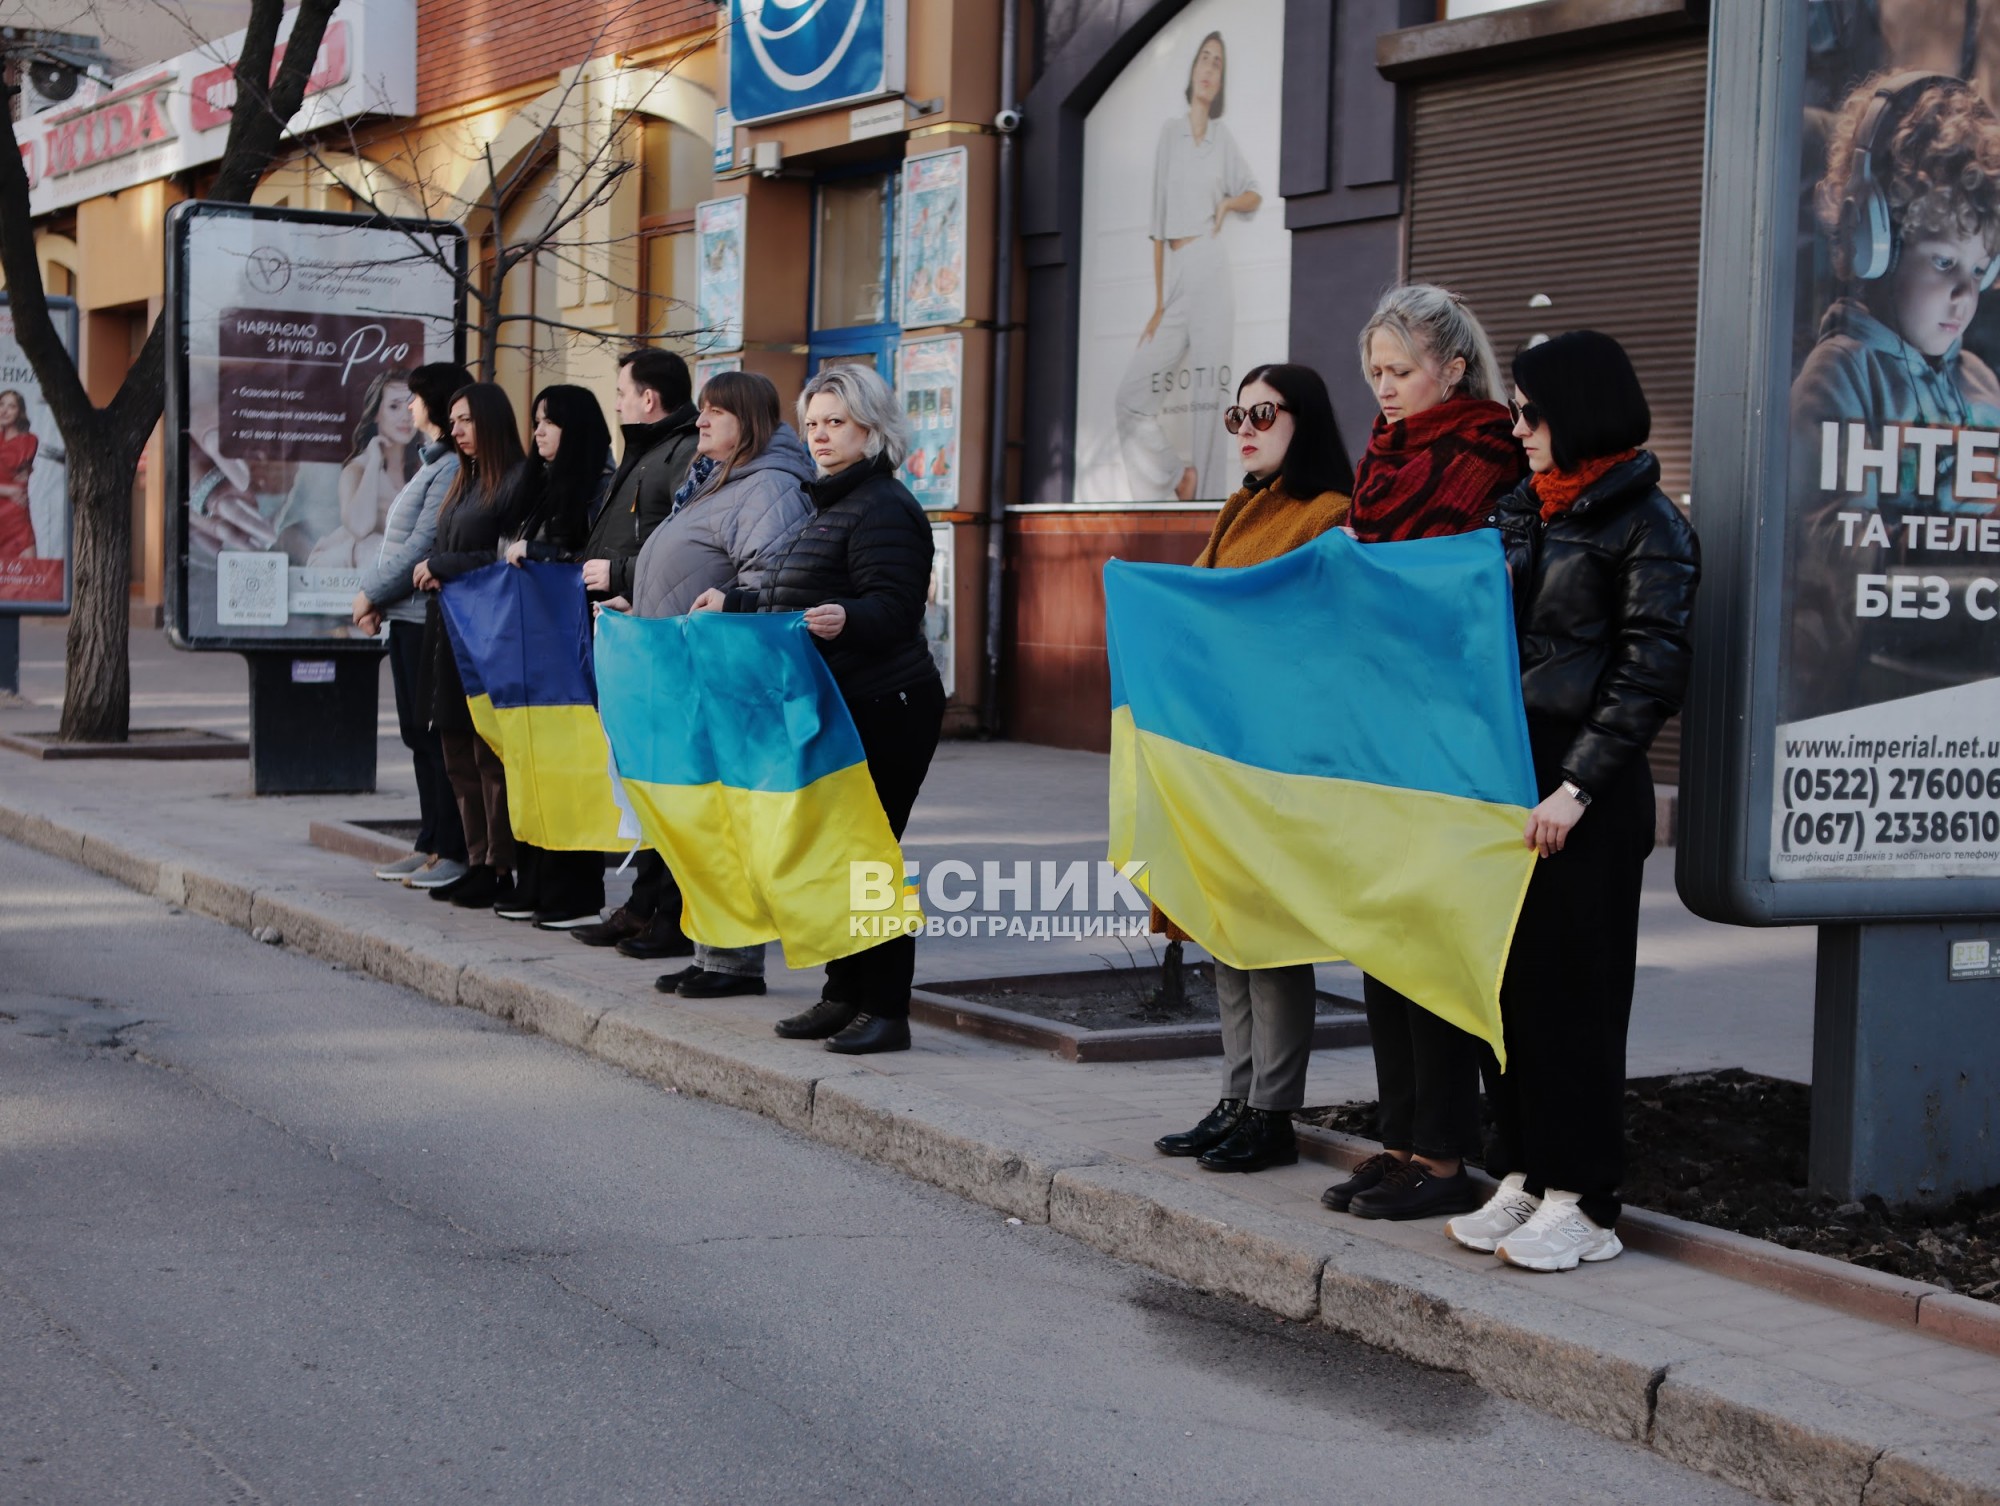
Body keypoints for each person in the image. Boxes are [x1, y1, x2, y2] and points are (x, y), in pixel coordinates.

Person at [1445, 331, 1698, 1272]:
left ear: (1578, 409)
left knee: (1577, 1001)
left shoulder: (1652, 526)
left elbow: (1649, 673)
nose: (1517, 428)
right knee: (1505, 994)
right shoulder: (1524, 509)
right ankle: (1521, 1172)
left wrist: (1578, 786)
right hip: (1507, 782)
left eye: (1529, 412)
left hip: (1583, 793)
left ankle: (1586, 1200)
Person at [1318, 285, 1528, 1222]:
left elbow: (1475, 594)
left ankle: (1444, 1155)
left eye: (1400, 370)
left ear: (1451, 367)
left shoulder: (1492, 454)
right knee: (1380, 938)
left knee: (1430, 944)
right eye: (1374, 372)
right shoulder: (1383, 457)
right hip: (1379, 732)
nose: (1385, 388)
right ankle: (1400, 1139)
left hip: (1450, 739)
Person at [692, 364, 945, 1055]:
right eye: (812, 424)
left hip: (884, 702)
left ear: (872, 428)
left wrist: (847, 618)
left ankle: (887, 1010)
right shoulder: (830, 502)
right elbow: (794, 596)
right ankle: (844, 995)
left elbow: (892, 608)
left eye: (835, 422)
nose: (821, 435)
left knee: (867, 857)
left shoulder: (885, 506)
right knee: (832, 853)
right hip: (835, 700)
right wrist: (735, 603)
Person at [1149, 363, 1354, 1172]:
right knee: (1225, 930)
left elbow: (1311, 637)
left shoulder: (1328, 516)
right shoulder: (1245, 505)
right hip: (1218, 754)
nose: (1244, 427)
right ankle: (1236, 1096)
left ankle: (1275, 1111)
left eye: (1263, 413)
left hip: (1278, 758)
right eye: (1237, 414)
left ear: (1303, 420)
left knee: (1270, 939)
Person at [1788, 71, 2000, 719]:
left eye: (1980, 268)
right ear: (1871, 242)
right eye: (1942, 262)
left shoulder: (1981, 385)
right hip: (1871, 699)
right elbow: (1827, 589)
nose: (1965, 294)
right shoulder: (1839, 377)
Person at [635, 371, 815, 998]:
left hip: (725, 678)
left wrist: (728, 602)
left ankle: (736, 962)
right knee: (700, 819)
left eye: (715, 412)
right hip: (688, 676)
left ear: (751, 421)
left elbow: (775, 578)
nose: (701, 421)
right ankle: (712, 950)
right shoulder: (717, 480)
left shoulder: (769, 485)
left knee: (726, 821)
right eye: (702, 411)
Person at [570, 349, 703, 960]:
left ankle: (670, 913)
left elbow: (682, 545)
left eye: (622, 390)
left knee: (664, 777)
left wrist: (617, 570)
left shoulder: (679, 453)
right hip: (628, 628)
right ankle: (644, 905)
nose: (617, 400)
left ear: (649, 398)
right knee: (638, 778)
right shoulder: (648, 447)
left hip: (658, 634)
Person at [1114, 30, 1260, 502]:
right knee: (1131, 397)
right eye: (1204, 59)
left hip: (1211, 267)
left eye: (1217, 63)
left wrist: (1225, 206)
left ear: (1220, 82)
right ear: (1193, 70)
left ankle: (1213, 508)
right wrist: (1159, 304)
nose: (1209, 69)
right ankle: (1178, 477)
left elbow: (1253, 193)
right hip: (1178, 268)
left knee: (1213, 399)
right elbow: (1157, 224)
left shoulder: (1222, 138)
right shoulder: (1169, 133)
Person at [495, 384, 618, 930]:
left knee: (573, 770)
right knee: (535, 769)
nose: (539, 431)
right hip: (533, 655)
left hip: (572, 655)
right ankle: (537, 882)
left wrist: (540, 553)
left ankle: (575, 891)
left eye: (550, 422)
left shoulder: (599, 486)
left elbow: (591, 560)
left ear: (578, 429)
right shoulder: (539, 484)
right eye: (536, 420)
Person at [350, 361, 475, 892]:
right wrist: (379, 598)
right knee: (414, 733)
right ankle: (429, 843)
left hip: (425, 618)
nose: (411, 408)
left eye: (415, 399)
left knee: (432, 735)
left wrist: (370, 593)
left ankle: (452, 847)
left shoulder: (447, 469)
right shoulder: (432, 464)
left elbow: (420, 545)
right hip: (403, 616)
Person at [413, 383, 528, 912]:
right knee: (456, 747)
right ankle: (477, 857)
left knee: (488, 754)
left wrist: (441, 567)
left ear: (489, 420)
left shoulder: (514, 481)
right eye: (452, 421)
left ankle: (500, 866)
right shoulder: (466, 478)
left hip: (490, 630)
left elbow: (500, 557)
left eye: (464, 421)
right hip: (449, 629)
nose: (455, 431)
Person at [310, 369, 417, 567]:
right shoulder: (357, 469)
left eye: (411, 406)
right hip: (344, 565)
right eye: (394, 406)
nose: (406, 416)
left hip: (395, 567)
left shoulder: (422, 467)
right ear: (376, 414)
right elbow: (359, 528)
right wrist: (374, 462)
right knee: (372, 545)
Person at [0, 390, 39, 561]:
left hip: (17, 518)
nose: (4, 410)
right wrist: (8, 491)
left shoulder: (29, 441)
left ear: (19, 411)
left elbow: (17, 465)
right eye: (1, 404)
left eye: (11, 406)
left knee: (27, 582)